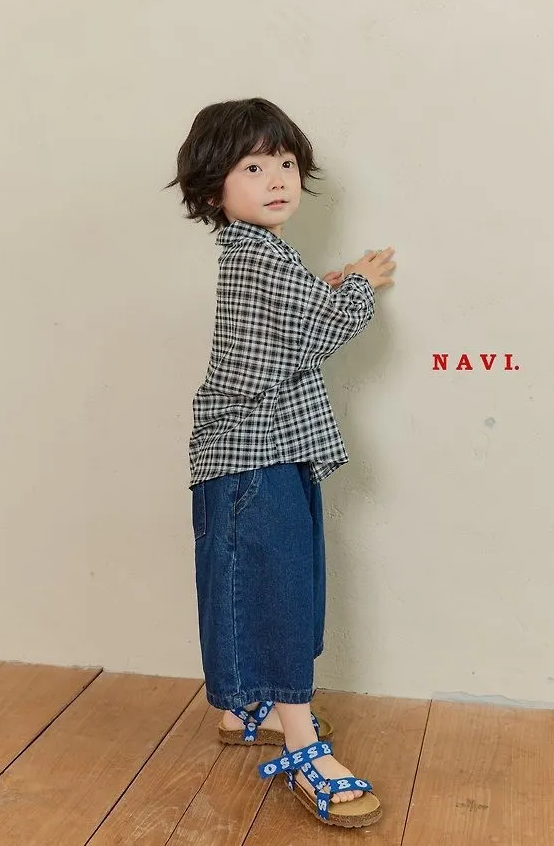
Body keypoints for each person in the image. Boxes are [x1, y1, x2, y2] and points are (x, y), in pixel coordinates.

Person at [165, 97, 396, 828]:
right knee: (277, 595)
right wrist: (360, 284)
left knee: (261, 584)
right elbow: (323, 328)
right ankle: (299, 742)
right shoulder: (259, 256)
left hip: (260, 452)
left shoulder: (258, 255)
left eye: (287, 163)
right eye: (253, 167)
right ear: (213, 191)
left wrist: (329, 285)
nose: (277, 180)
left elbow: (288, 325)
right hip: (253, 459)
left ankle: (248, 710)